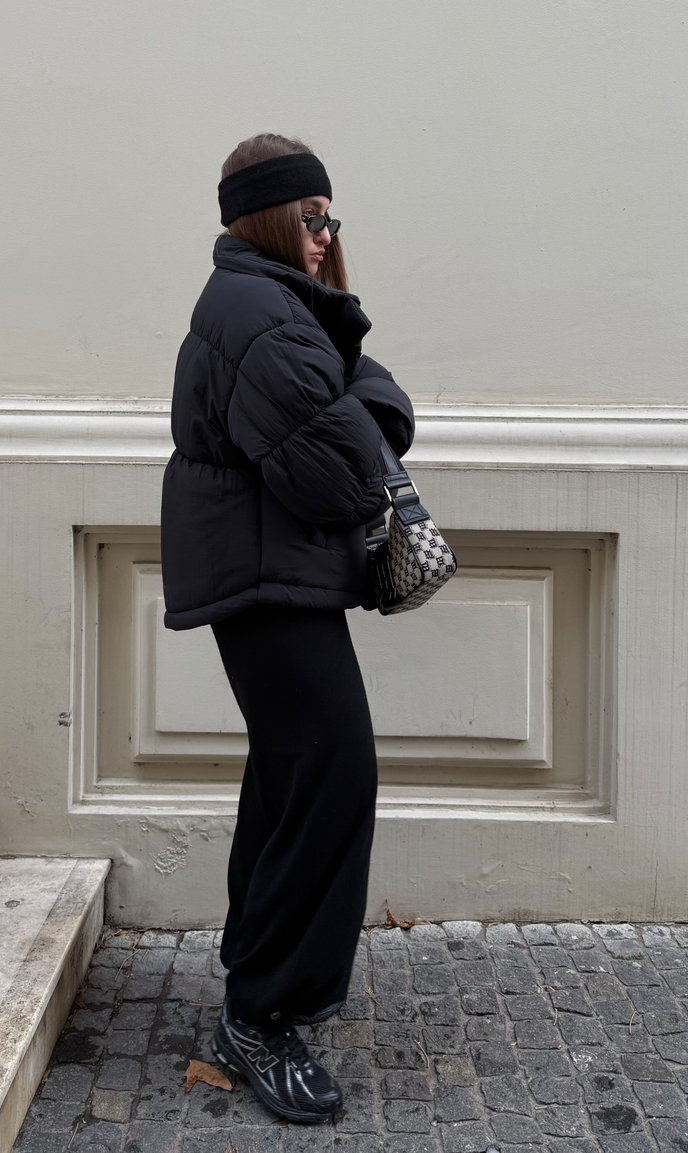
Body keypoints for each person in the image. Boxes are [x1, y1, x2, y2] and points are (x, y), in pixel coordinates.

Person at [161, 133, 414, 1123]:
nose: (324, 234)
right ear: (265, 219)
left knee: (290, 777)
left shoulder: (272, 307)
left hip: (273, 574)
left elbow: (364, 395)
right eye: (308, 217)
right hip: (266, 578)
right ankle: (262, 1012)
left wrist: (361, 404)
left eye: (329, 216)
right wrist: (367, 413)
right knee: (332, 773)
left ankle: (252, 981)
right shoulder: (262, 317)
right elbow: (336, 471)